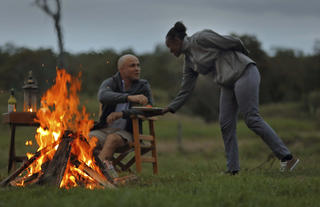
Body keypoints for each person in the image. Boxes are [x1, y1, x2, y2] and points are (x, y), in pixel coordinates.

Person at [162, 21, 299, 174]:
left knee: (251, 119)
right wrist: (169, 108)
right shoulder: (189, 62)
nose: (170, 51)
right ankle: (232, 170)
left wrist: (243, 59)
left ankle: (287, 158)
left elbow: (234, 41)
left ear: (176, 41)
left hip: (244, 73)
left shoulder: (201, 38)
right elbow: (186, 89)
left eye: (170, 47)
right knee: (225, 124)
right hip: (227, 84)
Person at [89, 54, 153, 177]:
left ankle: (96, 174)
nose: (137, 69)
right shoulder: (110, 83)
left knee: (112, 139)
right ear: (121, 69)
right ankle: (103, 167)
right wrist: (128, 97)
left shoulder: (143, 86)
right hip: (104, 129)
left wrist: (123, 114)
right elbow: (103, 96)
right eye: (132, 66)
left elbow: (149, 109)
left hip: (128, 132)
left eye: (138, 65)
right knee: (85, 139)